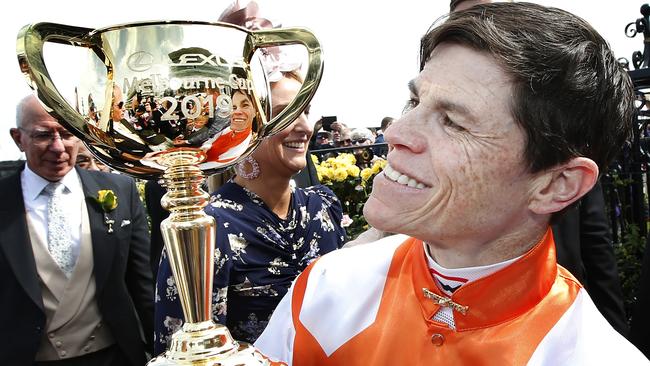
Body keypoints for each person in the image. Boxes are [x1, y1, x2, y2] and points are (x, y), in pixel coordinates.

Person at [255, 3, 649, 364]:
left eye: (454, 122)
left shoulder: (593, 355)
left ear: (557, 184)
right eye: (415, 102)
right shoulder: (328, 287)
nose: (398, 133)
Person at [154, 69, 347, 353]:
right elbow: (185, 353)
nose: (305, 127)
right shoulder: (206, 228)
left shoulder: (322, 206)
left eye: (305, 110)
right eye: (286, 113)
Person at [1, 95, 154, 365]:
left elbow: (141, 283)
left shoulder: (120, 190)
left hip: (115, 355)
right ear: (18, 138)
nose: (58, 147)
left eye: (66, 134)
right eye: (43, 135)